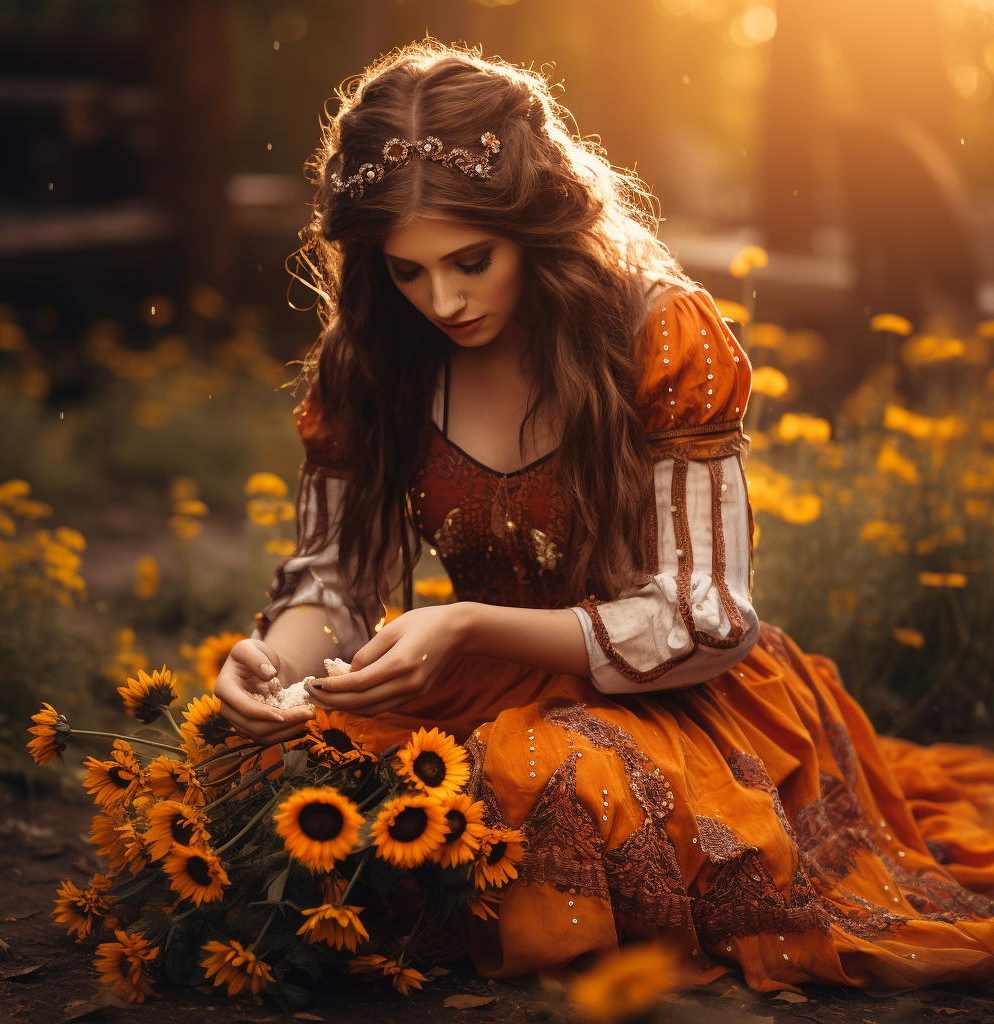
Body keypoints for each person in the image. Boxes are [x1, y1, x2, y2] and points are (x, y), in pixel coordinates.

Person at [214, 41, 994, 991]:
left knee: (554, 781)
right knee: (256, 774)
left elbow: (705, 618)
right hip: (467, 684)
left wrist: (466, 623)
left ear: (536, 223)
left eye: (470, 261)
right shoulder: (374, 354)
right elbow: (337, 576)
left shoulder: (654, 333)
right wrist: (278, 665)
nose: (444, 301)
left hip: (666, 693)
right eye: (407, 272)